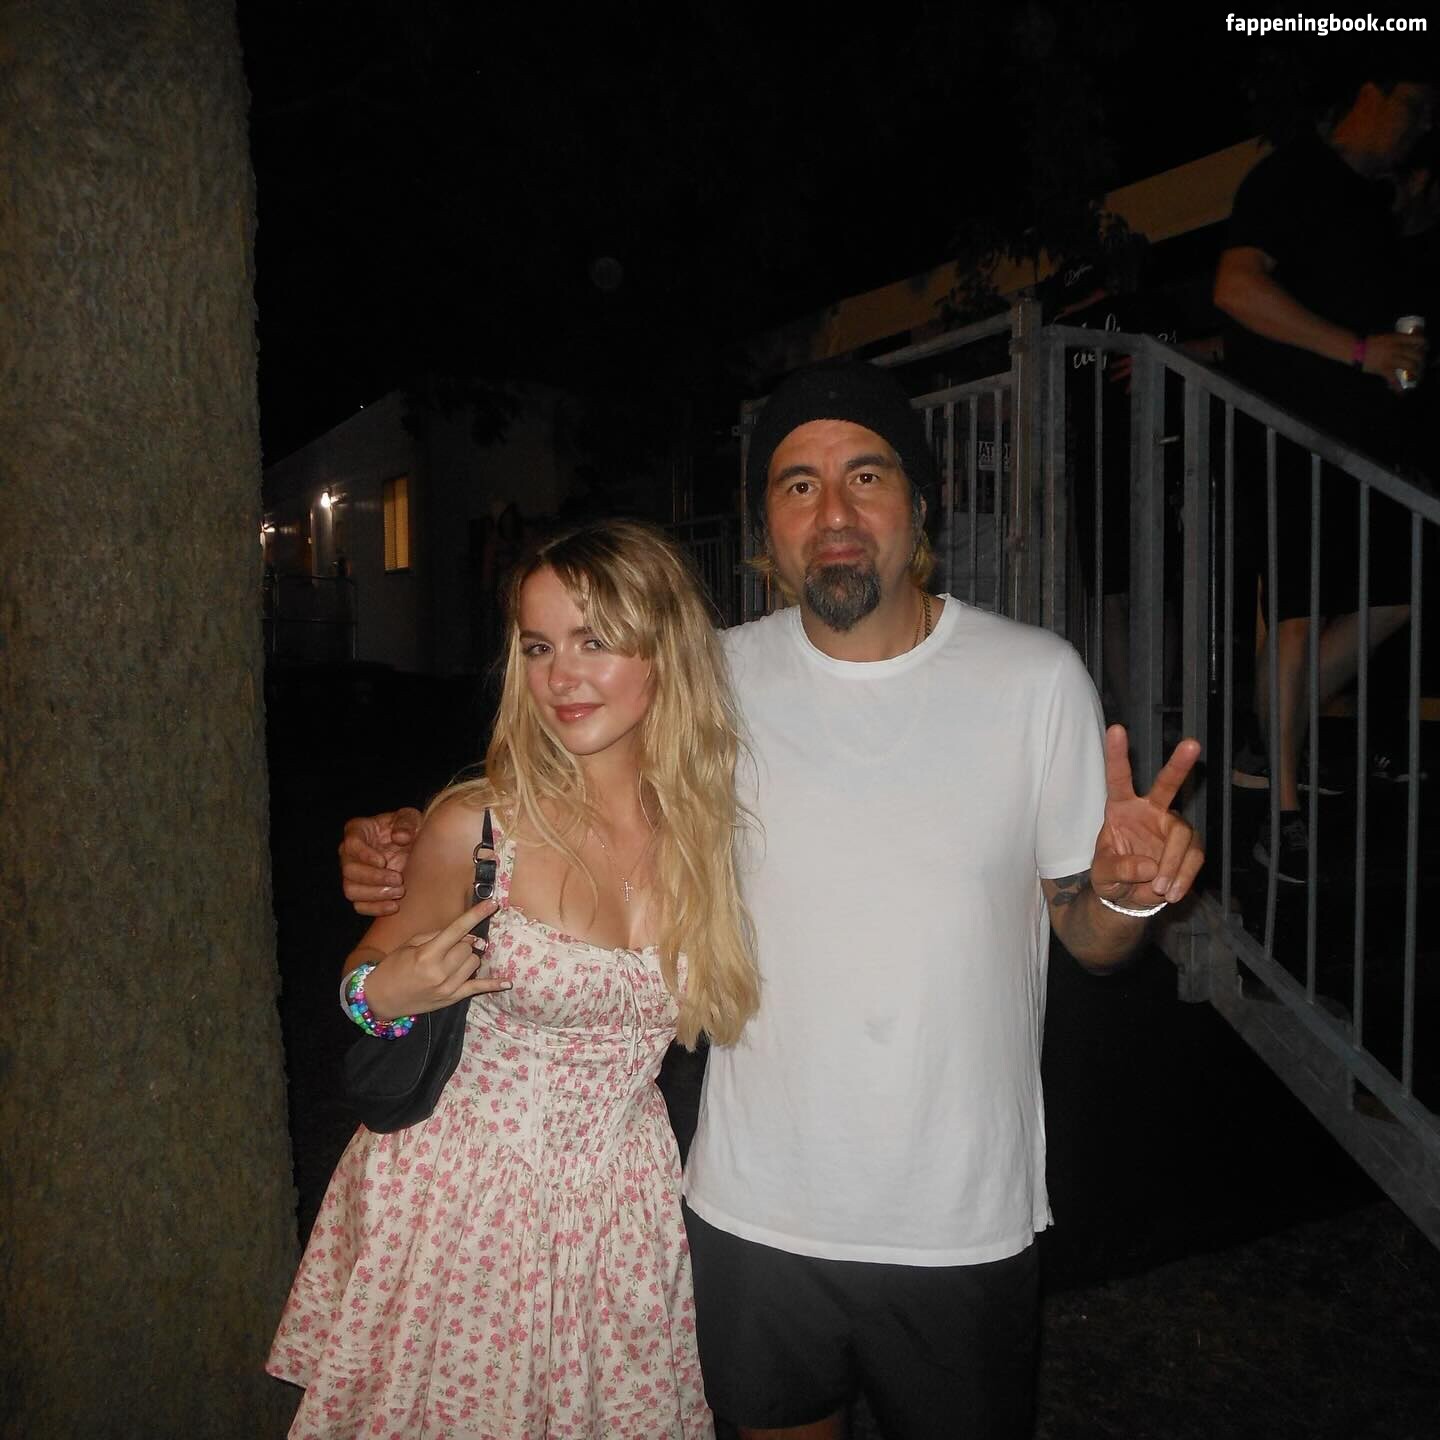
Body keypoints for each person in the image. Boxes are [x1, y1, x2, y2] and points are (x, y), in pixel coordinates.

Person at [342, 362, 1204, 1439]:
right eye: (798, 485)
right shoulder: (706, 681)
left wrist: (1126, 899)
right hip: (748, 1215)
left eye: (866, 476)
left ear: (922, 503)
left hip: (960, 1218)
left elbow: (1090, 936)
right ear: (768, 526)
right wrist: (401, 841)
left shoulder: (1037, 679)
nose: (832, 512)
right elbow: (558, 777)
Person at [270, 520, 759, 1438]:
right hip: (465, 1205)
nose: (561, 676)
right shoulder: (479, 826)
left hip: (625, 1206)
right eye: (538, 647)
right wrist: (386, 998)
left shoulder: (707, 830)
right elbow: (361, 981)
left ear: (665, 653)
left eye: (594, 640)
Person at [1214, 68, 1434, 881]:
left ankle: (1268, 735)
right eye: (1413, 107)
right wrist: (1360, 351)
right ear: (1372, 91)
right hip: (1291, 435)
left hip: (1364, 446)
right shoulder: (1292, 173)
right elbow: (1235, 287)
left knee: (1399, 590)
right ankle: (1282, 814)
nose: (1419, 126)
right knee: (1298, 615)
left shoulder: (1375, 206)